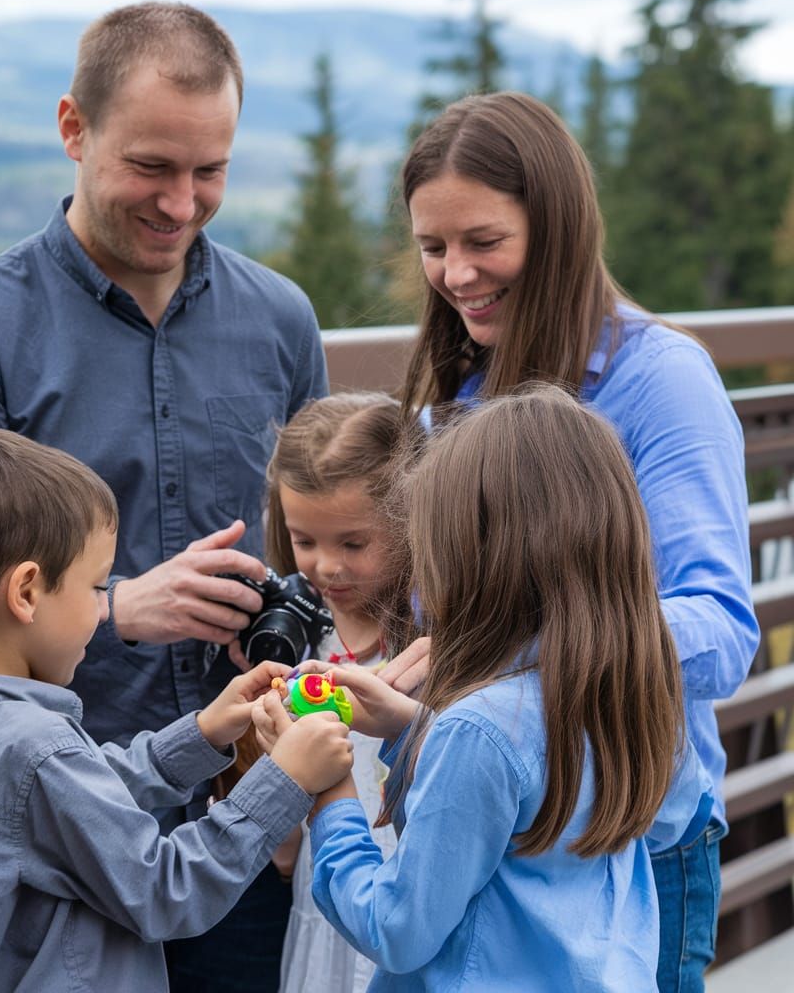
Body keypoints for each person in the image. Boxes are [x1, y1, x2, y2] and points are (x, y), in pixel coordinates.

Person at [0, 2, 328, 990]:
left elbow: (329, 551)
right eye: (151, 167)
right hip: (53, 858)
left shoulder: (283, 321)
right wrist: (121, 606)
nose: (181, 202)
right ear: (73, 130)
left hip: (242, 803)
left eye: (208, 170)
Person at [379, 91, 758, 991]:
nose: (456, 275)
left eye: (484, 243)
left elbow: (721, 631)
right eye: (433, 248)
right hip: (478, 820)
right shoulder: (459, 391)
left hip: (627, 842)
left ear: (555, 229)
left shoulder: (662, 382)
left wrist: (513, 650)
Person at [255, 385, 715, 991]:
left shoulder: (478, 731)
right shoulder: (635, 687)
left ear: (478, 558)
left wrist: (330, 792)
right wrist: (414, 725)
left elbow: (397, 928)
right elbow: (675, 817)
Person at [0, 427, 353, 993]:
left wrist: (204, 733)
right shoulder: (37, 747)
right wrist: (284, 779)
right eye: (94, 588)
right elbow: (166, 889)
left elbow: (77, 805)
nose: (102, 608)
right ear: (27, 593)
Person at [260, 393, 418, 993]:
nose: (326, 568)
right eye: (305, 541)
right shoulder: (295, 632)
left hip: (403, 880)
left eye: (353, 544)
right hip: (324, 878)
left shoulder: (429, 643)